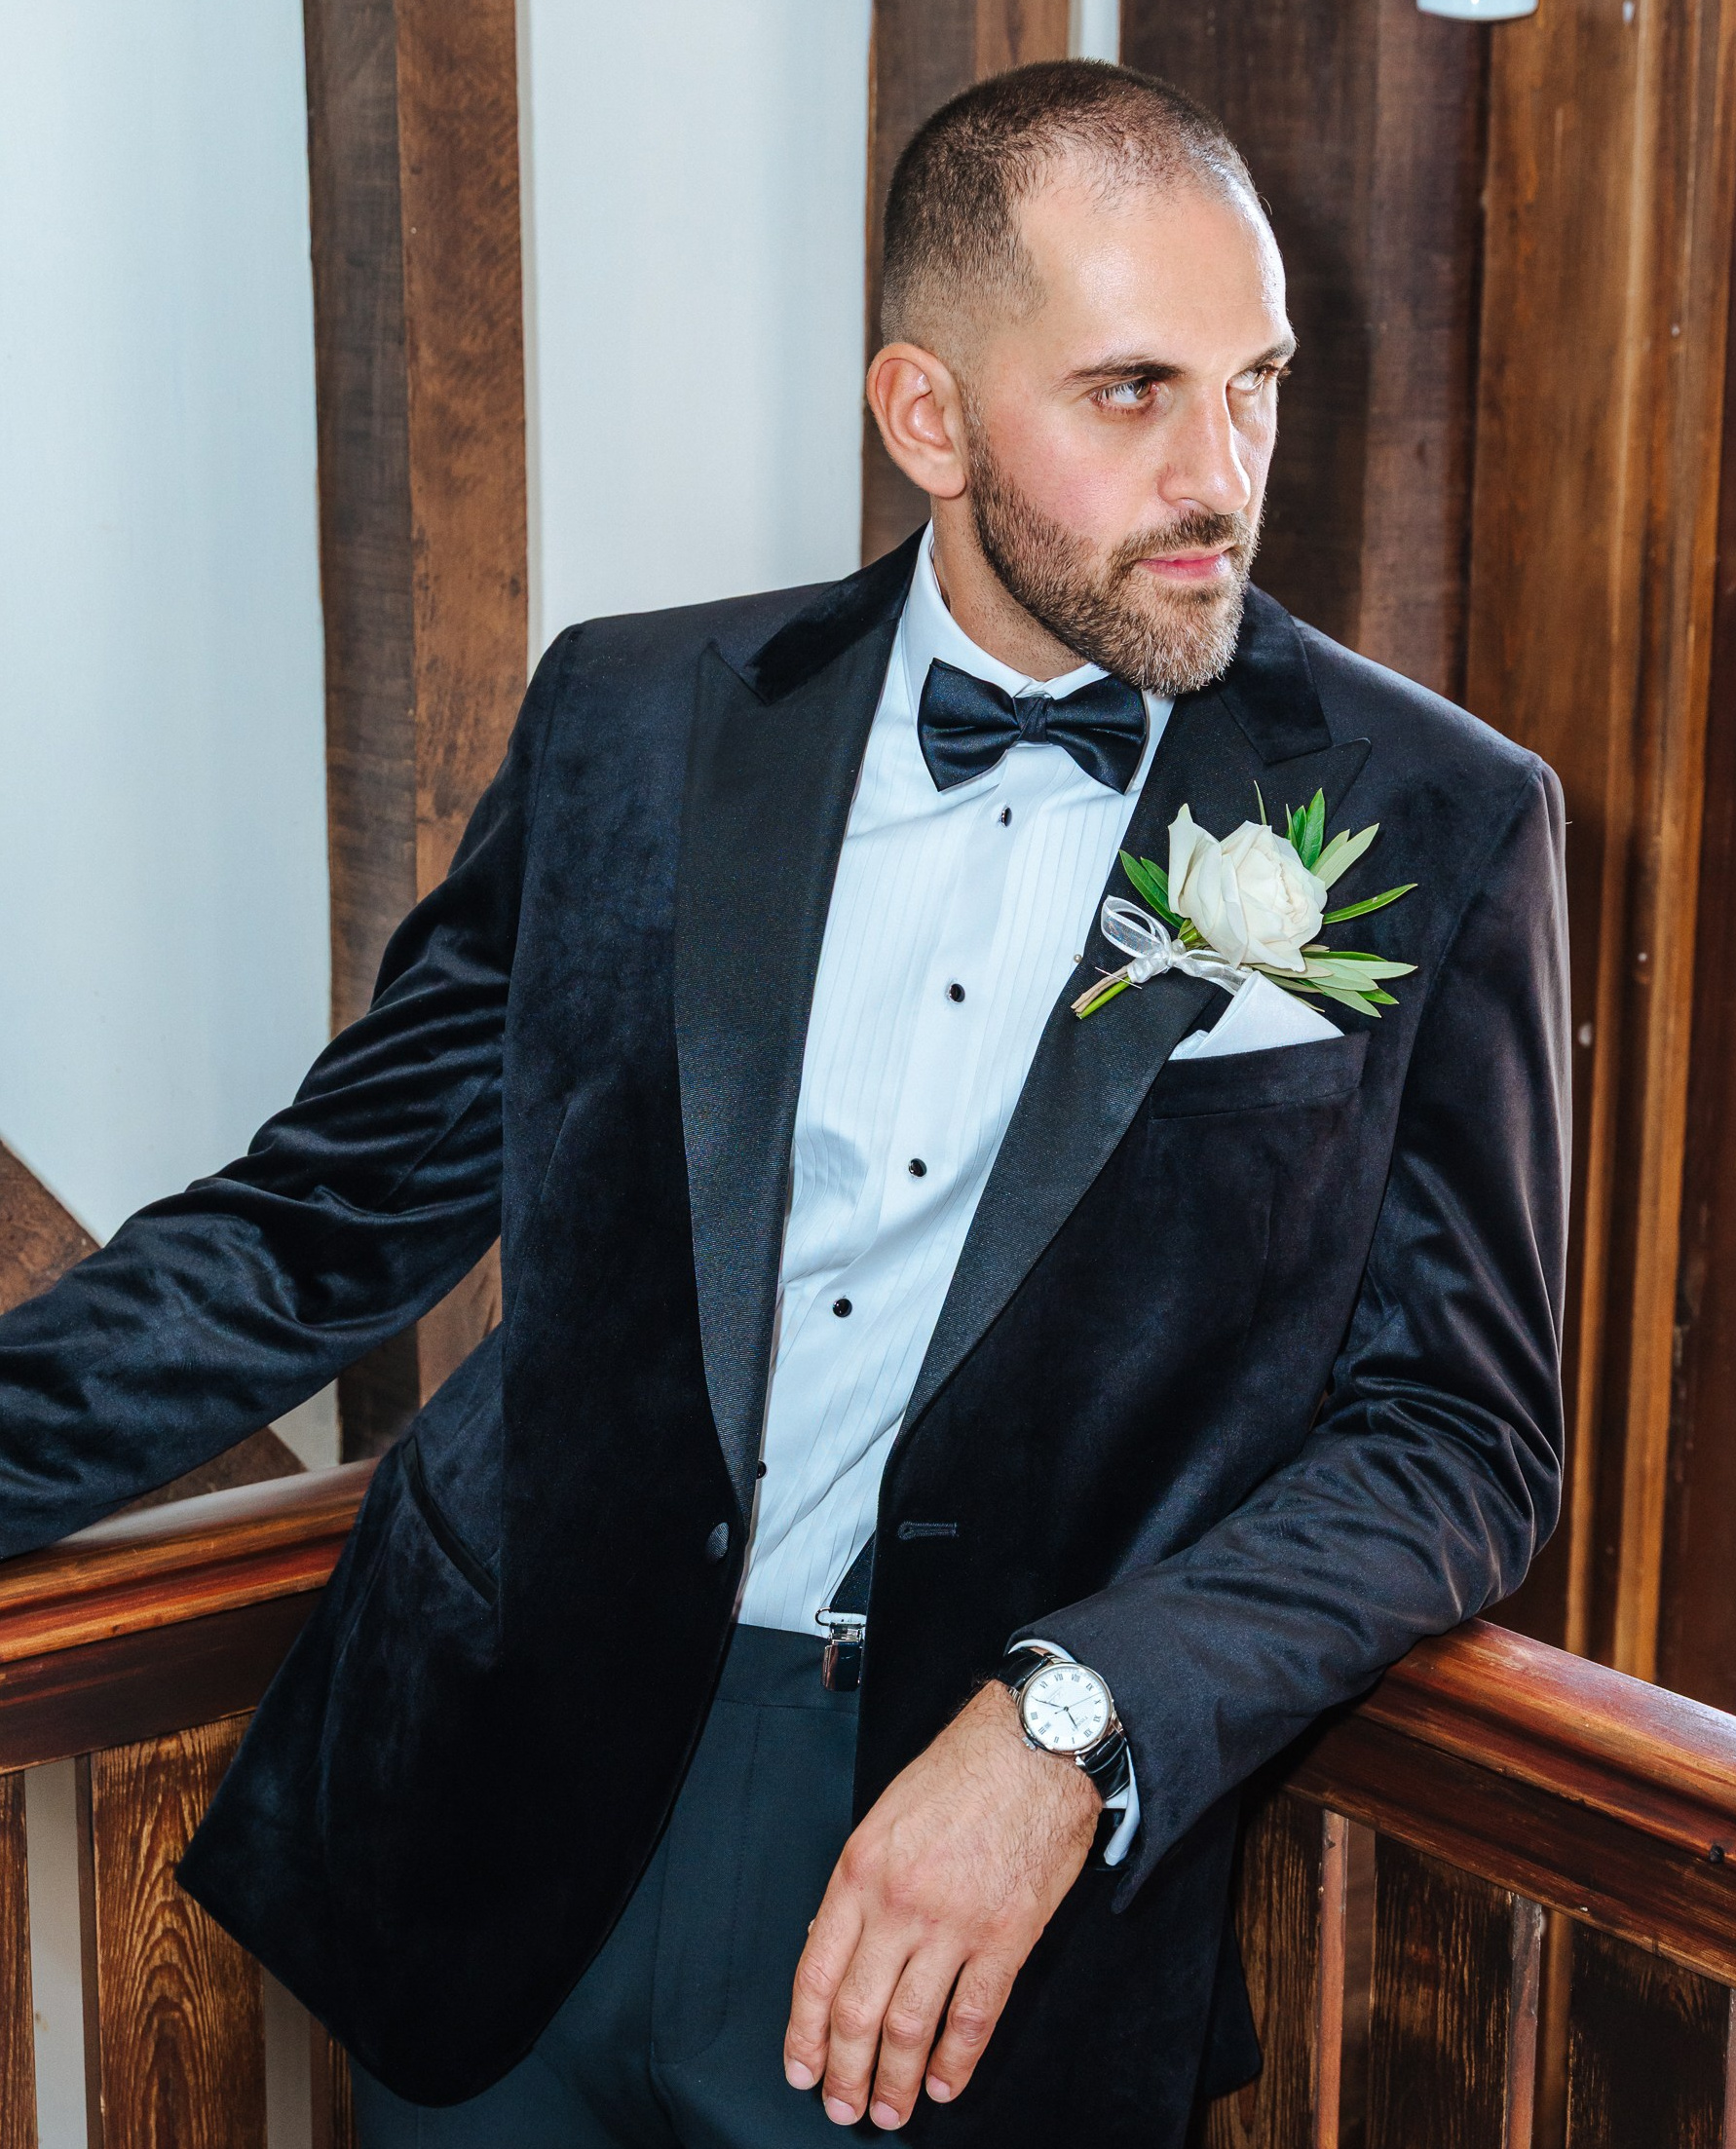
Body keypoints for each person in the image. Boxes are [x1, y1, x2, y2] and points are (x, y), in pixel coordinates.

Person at [0, 58, 1567, 2149]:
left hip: (960, 1913)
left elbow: (1458, 1438)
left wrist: (1068, 1723)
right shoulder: (630, 724)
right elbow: (312, 1225)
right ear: (924, 414)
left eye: (1254, 380)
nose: (1222, 471)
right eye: (1129, 392)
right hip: (506, 1833)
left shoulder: (1430, 818)